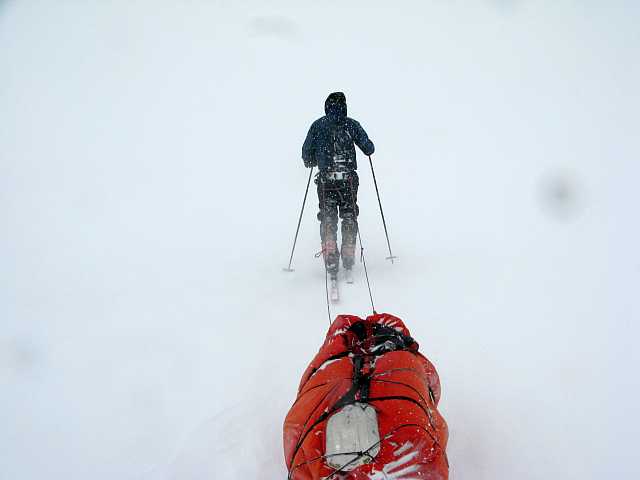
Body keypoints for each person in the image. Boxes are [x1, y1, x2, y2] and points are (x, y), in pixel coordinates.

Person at [301, 92, 375, 280]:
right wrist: (366, 145)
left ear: (327, 106)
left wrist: (312, 159)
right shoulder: (351, 124)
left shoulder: (318, 126)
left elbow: (306, 154)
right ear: (344, 106)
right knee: (349, 214)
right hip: (348, 180)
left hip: (326, 180)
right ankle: (348, 254)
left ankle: (330, 254)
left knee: (328, 215)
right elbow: (368, 148)